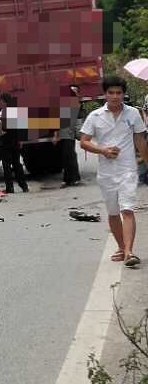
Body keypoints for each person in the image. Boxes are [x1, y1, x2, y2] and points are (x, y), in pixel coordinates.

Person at [80, 75, 148, 267]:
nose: (115, 96)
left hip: (128, 169)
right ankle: (121, 246)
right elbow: (84, 141)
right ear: (105, 94)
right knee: (112, 212)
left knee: (127, 209)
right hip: (106, 172)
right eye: (111, 93)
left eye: (119, 93)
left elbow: (140, 141)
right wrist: (103, 150)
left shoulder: (133, 114)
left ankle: (129, 252)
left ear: (124, 94)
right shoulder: (95, 116)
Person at [0, 92, 29, 194]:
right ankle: (24, 186)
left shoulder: (2, 112)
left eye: (1, 100)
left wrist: (1, 133)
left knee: (6, 165)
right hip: (15, 140)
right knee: (17, 164)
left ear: (4, 101)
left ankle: (10, 188)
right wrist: (21, 140)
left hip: (6, 140)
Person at [52, 85, 82, 188]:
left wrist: (79, 134)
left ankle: (73, 179)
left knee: (70, 156)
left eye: (76, 91)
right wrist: (56, 135)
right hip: (63, 134)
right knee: (65, 157)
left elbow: (78, 122)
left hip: (70, 134)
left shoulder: (77, 105)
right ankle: (68, 179)